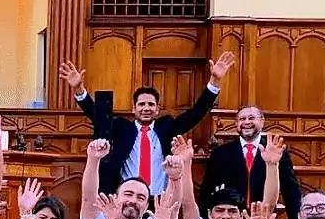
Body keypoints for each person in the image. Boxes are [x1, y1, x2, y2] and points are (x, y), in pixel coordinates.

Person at [59, 52, 234, 194]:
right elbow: (95, 114)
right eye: (141, 104)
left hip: (159, 199)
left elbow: (195, 113)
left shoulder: (167, 127)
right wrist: (79, 89)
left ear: (157, 109)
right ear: (134, 109)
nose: (146, 108)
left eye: (151, 104)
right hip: (126, 198)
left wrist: (214, 82)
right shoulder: (121, 127)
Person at [200, 106, 301, 219]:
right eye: (242, 119)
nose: (247, 122)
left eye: (251, 118)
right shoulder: (221, 153)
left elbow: (291, 192)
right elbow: (206, 193)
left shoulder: (276, 151)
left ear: (262, 121)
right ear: (236, 123)